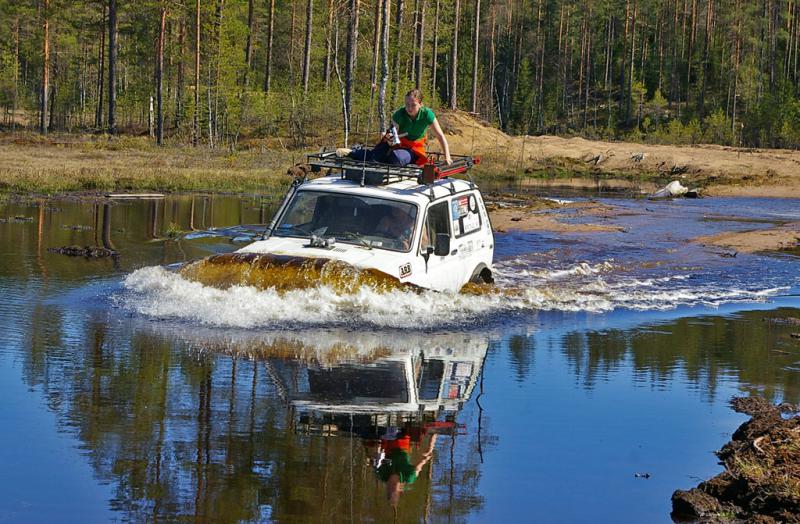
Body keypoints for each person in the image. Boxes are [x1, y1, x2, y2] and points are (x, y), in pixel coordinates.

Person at [350, 89, 453, 166]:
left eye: (413, 105)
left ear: (420, 104)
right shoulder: (399, 114)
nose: (409, 108)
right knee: (374, 158)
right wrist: (389, 138)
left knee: (396, 158)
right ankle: (354, 152)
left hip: (413, 148)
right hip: (396, 145)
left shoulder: (427, 114)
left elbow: (440, 137)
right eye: (407, 104)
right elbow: (392, 135)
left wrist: (447, 157)